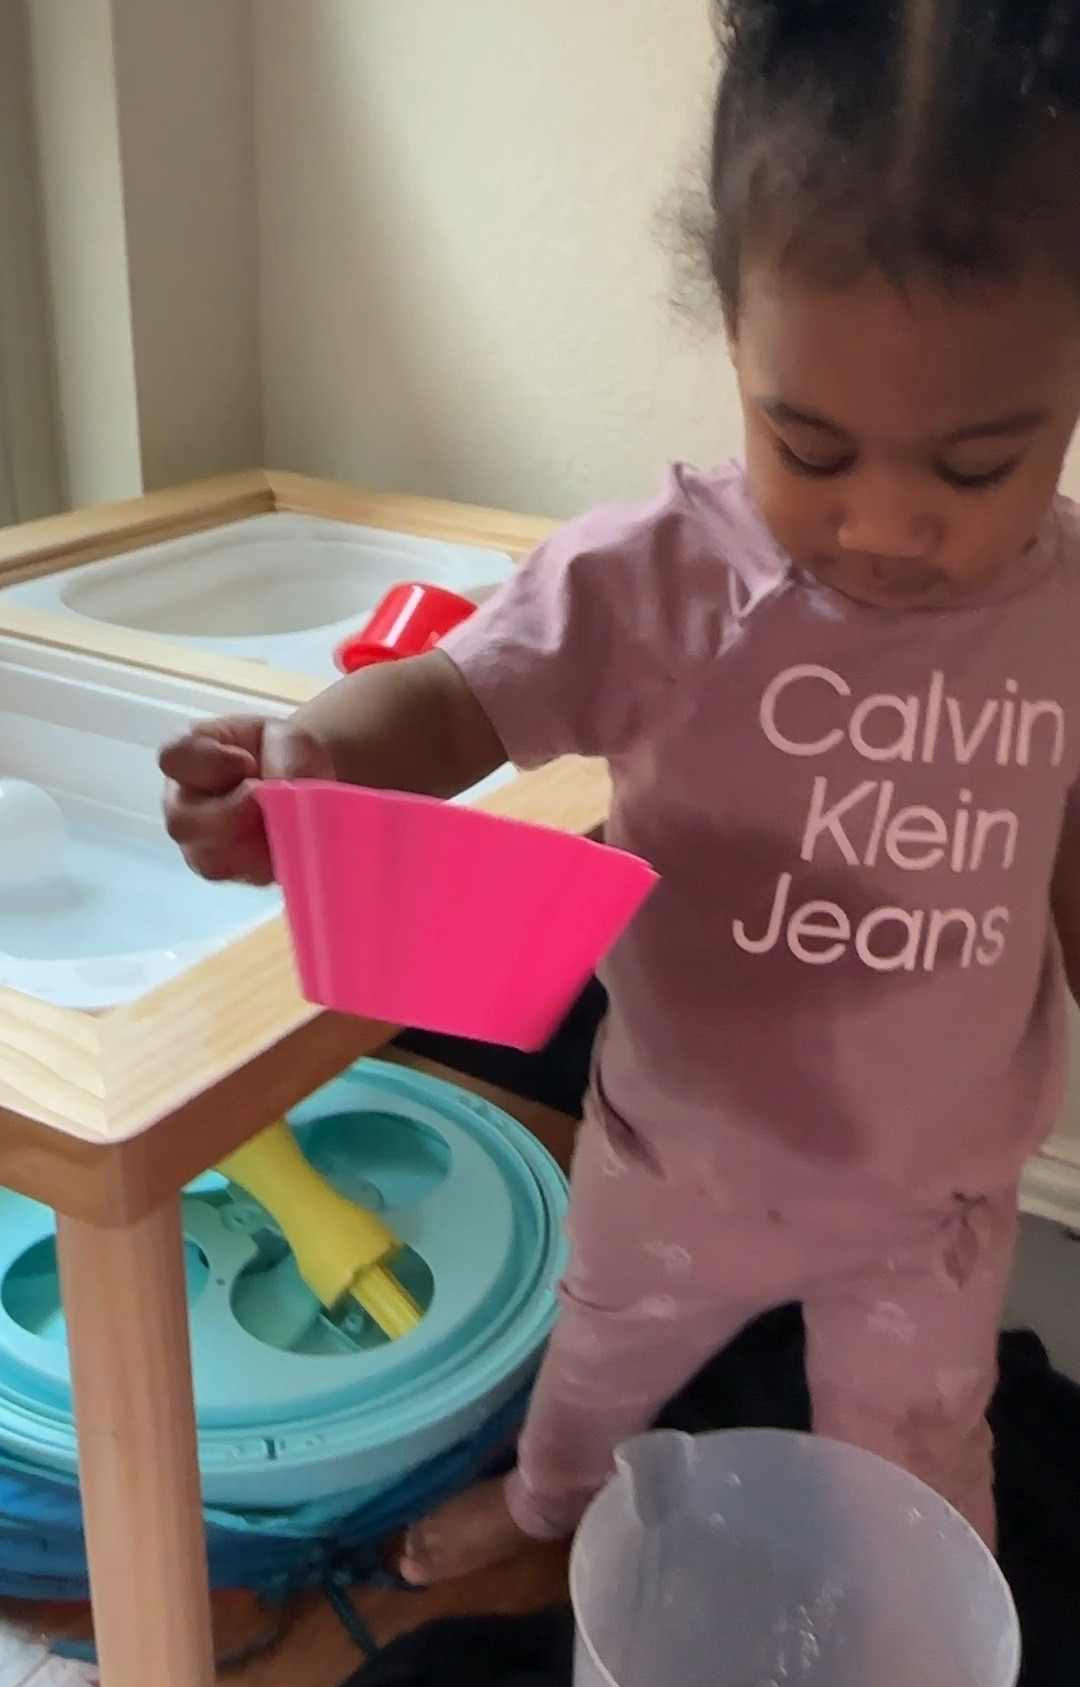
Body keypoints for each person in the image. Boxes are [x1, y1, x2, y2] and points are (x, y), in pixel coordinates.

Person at [161, 0, 1080, 1582]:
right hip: (680, 1151)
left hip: (938, 1189)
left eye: (976, 467)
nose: (886, 524)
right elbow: (452, 701)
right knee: (595, 1373)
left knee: (924, 1460)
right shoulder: (655, 577)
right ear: (734, 331)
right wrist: (312, 759)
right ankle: (548, 1503)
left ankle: (908, 1660)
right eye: (811, 442)